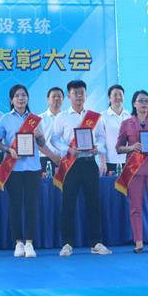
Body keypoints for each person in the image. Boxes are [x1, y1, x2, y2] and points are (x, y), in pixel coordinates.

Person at [0, 84, 60, 258]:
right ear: (11, 100)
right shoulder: (5, 119)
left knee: (31, 205)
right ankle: (18, 243)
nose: (21, 98)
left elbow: (42, 144)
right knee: (15, 206)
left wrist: (39, 136)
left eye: (23, 95)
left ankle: (29, 242)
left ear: (28, 98)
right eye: (17, 96)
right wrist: (8, 149)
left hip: (33, 168)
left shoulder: (35, 119)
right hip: (13, 169)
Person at [51, 79, 111, 256]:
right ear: (69, 96)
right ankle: (67, 243)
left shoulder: (94, 116)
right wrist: (68, 149)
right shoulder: (62, 117)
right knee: (68, 204)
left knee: (93, 204)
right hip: (70, 165)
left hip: (89, 163)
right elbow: (54, 138)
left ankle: (96, 242)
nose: (78, 96)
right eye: (75, 93)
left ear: (86, 95)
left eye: (81, 93)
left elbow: (101, 137)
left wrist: (97, 148)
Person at [116, 90, 148, 253]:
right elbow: (118, 148)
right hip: (135, 168)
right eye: (141, 101)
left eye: (147, 101)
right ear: (134, 104)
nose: (144, 103)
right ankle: (138, 242)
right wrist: (131, 147)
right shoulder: (126, 123)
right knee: (136, 206)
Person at [103, 84, 131, 174]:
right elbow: (100, 140)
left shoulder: (129, 115)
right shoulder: (102, 116)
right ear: (109, 98)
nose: (118, 97)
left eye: (120, 95)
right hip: (110, 161)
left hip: (128, 161)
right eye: (115, 95)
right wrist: (102, 162)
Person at [39, 87, 64, 174]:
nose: (56, 98)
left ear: (63, 99)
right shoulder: (39, 118)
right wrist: (53, 157)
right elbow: (38, 143)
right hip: (46, 159)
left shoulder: (67, 117)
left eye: (59, 96)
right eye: (53, 96)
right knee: (47, 183)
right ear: (47, 99)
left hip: (66, 160)